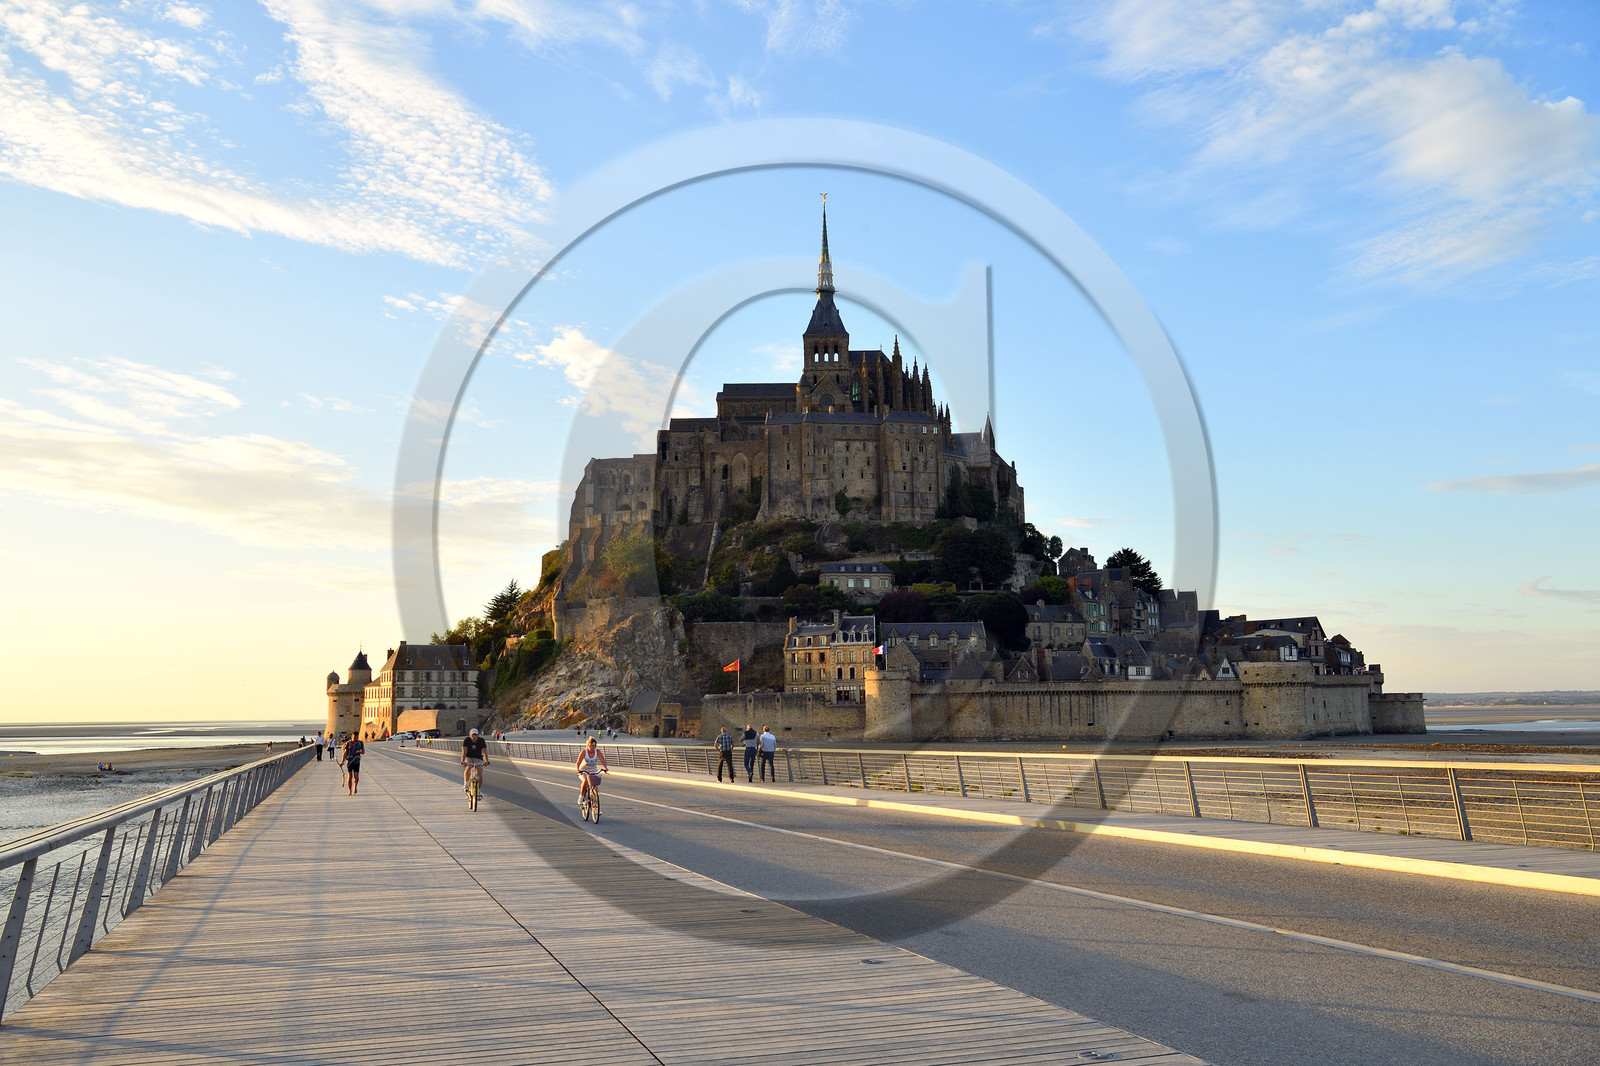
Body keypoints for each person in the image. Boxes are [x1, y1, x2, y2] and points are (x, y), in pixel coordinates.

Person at [575, 735, 607, 806]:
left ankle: (596, 807)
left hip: (593, 771)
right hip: (583, 770)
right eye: (591, 745)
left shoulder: (597, 751)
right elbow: (578, 762)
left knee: (595, 786)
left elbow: (602, 760)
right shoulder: (584, 752)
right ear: (587, 745)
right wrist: (578, 770)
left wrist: (605, 768)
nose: (592, 747)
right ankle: (582, 796)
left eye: (594, 746)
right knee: (585, 781)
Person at [461, 728, 488, 793]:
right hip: (469, 757)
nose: (474, 736)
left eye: (476, 735)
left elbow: (484, 751)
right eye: (473, 735)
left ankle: (478, 791)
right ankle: (466, 785)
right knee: (469, 767)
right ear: (470, 735)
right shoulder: (467, 740)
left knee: (480, 774)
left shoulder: (481, 740)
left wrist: (486, 761)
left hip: (478, 758)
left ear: (478, 735)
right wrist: (463, 761)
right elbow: (464, 752)